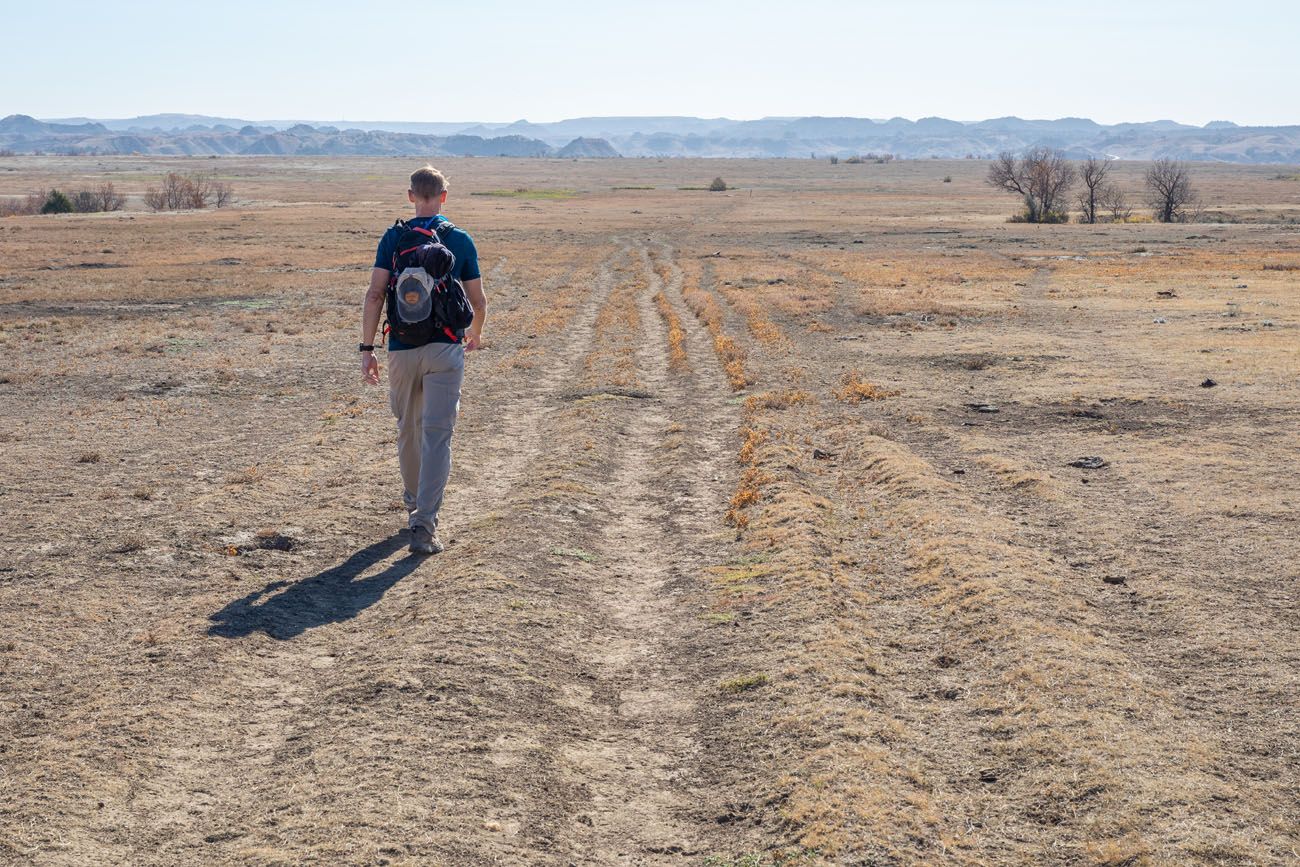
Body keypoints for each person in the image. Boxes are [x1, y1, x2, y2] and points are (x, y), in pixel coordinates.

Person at [360, 166, 486, 554]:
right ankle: (425, 523)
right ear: (444, 197)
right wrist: (476, 333)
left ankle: (414, 501)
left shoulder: (394, 238)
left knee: (408, 429)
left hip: (400, 348)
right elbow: (478, 301)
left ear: (412, 195)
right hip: (446, 349)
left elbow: (375, 295)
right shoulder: (460, 240)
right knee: (437, 435)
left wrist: (367, 350)